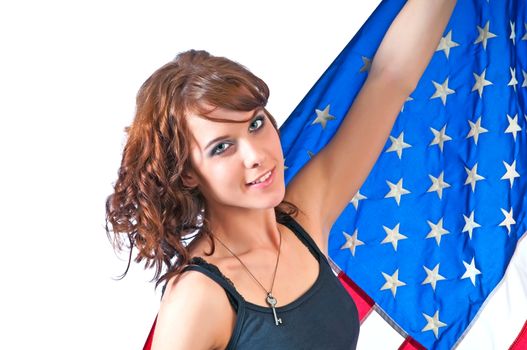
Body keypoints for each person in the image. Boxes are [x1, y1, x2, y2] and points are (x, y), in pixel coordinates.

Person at [105, 1, 457, 348]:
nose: (256, 155)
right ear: (187, 174)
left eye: (256, 124)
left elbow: (391, 80)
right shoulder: (198, 298)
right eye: (222, 147)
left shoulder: (304, 217)